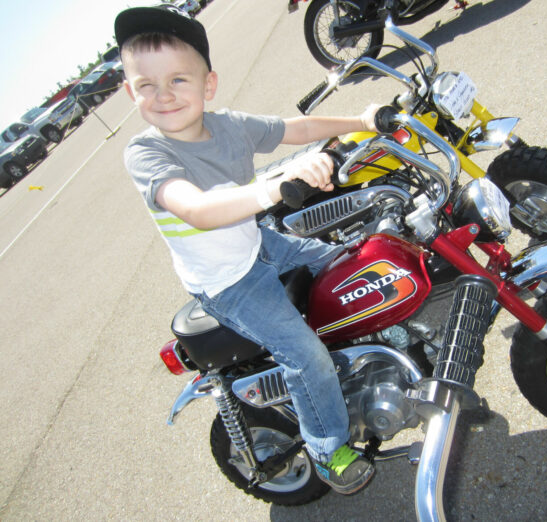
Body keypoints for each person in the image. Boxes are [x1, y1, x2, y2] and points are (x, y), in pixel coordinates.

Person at [115, 5, 378, 495]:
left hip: (260, 243)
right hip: (228, 284)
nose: (164, 95)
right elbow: (196, 209)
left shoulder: (229, 125)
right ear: (131, 92)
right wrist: (277, 185)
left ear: (207, 85)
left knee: (355, 264)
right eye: (146, 85)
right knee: (306, 357)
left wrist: (362, 119)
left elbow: (293, 130)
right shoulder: (148, 153)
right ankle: (327, 449)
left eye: (178, 79)